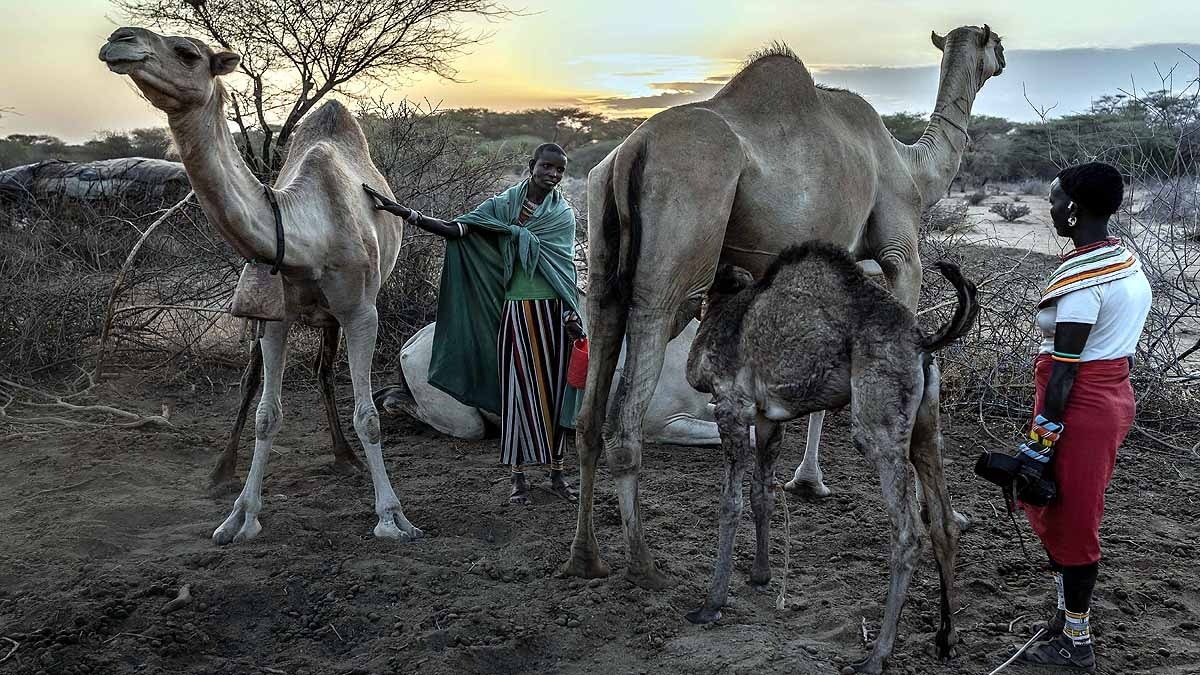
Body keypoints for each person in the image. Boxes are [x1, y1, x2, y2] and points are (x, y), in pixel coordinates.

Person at [364, 143, 584, 506]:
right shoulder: (504, 206)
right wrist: (404, 213)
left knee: (555, 397)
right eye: (547, 166)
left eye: (560, 170)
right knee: (516, 396)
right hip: (515, 314)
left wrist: (571, 313)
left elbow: (565, 270)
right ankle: (518, 480)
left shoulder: (562, 215)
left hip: (554, 317)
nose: (554, 175)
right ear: (532, 166)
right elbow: (458, 230)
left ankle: (558, 473)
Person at [1017, 161, 1151, 672]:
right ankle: (1063, 616)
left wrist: (1038, 446)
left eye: (1053, 199)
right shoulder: (1123, 261)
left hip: (1079, 406)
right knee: (1061, 506)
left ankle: (1077, 642)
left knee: (1073, 519)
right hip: (1110, 395)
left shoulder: (1084, 283)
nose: (1050, 208)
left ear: (1073, 208)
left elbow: (1067, 375)